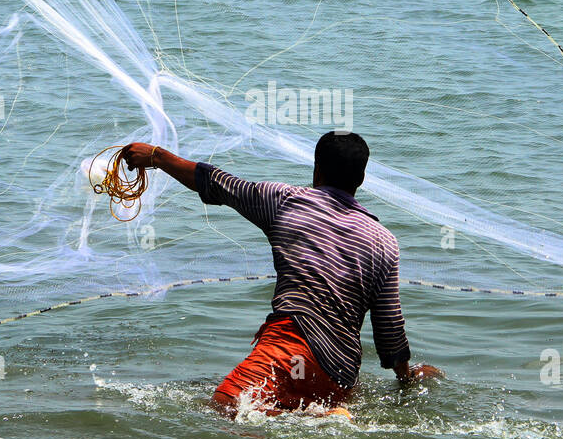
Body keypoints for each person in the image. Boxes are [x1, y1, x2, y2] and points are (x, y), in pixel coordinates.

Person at [118, 132, 442, 417]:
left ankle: (322, 420)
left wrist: (157, 157)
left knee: (226, 404)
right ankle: (323, 415)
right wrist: (406, 377)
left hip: (291, 347)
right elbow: (389, 328)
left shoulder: (285, 200)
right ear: (361, 178)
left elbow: (214, 182)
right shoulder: (383, 240)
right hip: (340, 374)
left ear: (317, 170)